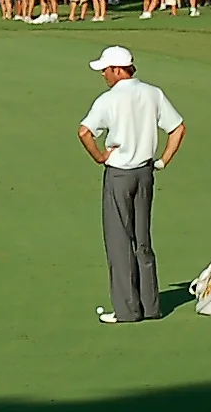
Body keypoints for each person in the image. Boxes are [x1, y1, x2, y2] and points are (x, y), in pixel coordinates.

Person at [76, 45, 187, 325]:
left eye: (105, 69)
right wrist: (162, 161)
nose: (103, 74)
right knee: (143, 240)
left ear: (117, 69)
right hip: (145, 173)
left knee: (119, 242)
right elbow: (177, 128)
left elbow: (84, 132)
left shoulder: (108, 99)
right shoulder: (153, 93)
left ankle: (127, 310)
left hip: (119, 175)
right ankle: (151, 306)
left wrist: (100, 156)